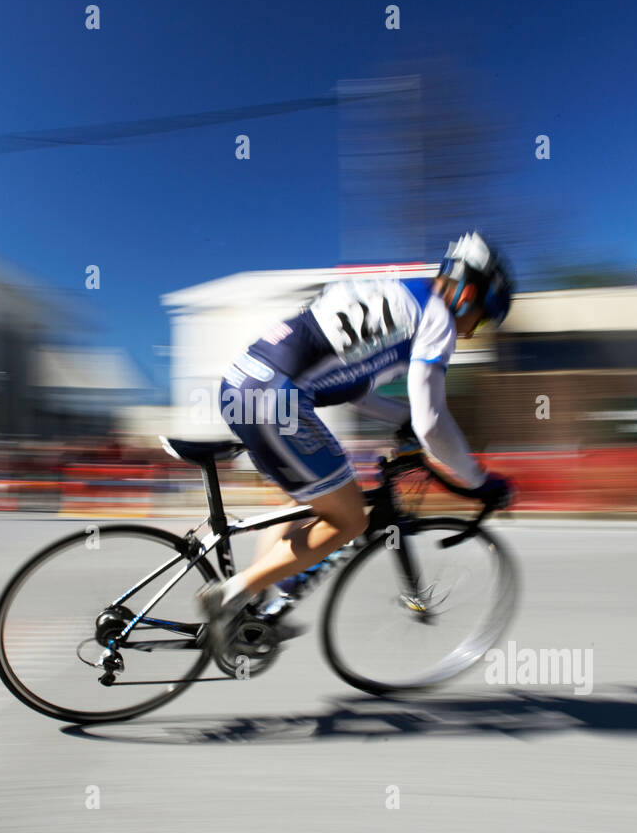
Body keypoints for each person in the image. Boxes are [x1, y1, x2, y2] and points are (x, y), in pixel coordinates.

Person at [199, 231, 516, 651]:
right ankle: (232, 595)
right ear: (468, 295)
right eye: (477, 320)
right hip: (277, 400)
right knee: (351, 520)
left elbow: (358, 391)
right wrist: (478, 480)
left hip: (243, 383)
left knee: (309, 501)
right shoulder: (436, 318)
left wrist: (401, 420)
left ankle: (248, 616)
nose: (471, 333)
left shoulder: (394, 292)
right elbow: (433, 422)